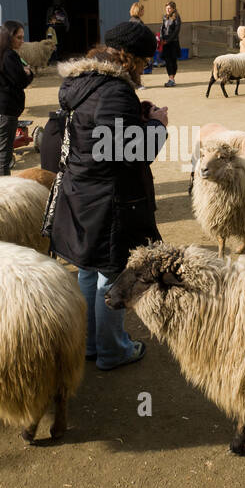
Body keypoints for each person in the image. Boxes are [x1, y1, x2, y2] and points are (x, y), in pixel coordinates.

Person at [48, 20, 167, 371]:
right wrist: (157, 125)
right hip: (110, 200)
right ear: (129, 57)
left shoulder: (80, 82)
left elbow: (98, 135)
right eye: (144, 62)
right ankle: (113, 351)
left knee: (87, 271)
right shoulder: (115, 90)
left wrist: (138, 117)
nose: (145, 69)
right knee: (113, 275)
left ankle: (89, 344)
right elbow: (126, 151)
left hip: (81, 192)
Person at [0, 21, 34, 174]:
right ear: (8, 37)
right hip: (5, 111)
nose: (22, 41)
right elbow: (21, 81)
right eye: (18, 37)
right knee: (4, 156)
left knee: (3, 153)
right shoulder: (9, 56)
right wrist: (29, 73)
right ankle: (4, 188)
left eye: (22, 37)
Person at [160, 1, 182, 87]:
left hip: (173, 42)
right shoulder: (165, 17)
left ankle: (172, 78)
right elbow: (162, 28)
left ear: (173, 9)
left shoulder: (176, 18)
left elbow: (176, 31)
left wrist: (168, 40)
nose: (167, 10)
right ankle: (171, 78)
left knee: (174, 62)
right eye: (166, 8)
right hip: (165, 43)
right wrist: (161, 38)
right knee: (167, 61)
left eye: (169, 8)